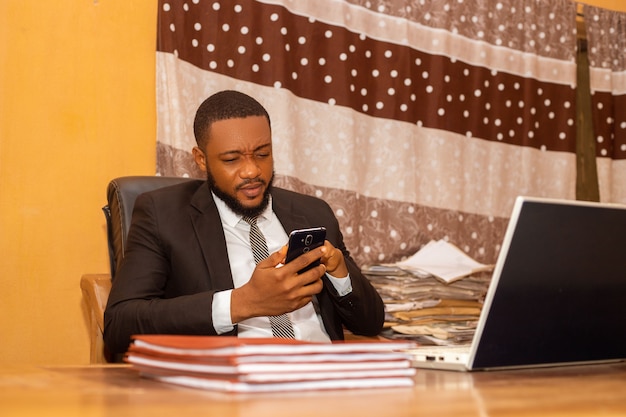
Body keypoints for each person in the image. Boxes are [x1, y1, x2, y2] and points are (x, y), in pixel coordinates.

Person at [103, 90, 385, 356]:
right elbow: (120, 324)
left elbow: (371, 323)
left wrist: (339, 273)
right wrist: (242, 303)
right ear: (201, 159)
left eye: (263, 154)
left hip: (326, 381)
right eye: (231, 159)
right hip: (234, 392)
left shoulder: (313, 212)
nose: (252, 171)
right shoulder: (162, 214)